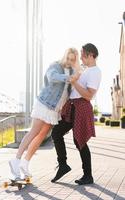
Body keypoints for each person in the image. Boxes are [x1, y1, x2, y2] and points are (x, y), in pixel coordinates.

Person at [9, 48, 81, 180]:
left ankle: (25, 163)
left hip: (54, 110)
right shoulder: (55, 66)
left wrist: (75, 74)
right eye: (69, 58)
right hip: (44, 104)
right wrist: (68, 78)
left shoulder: (72, 71)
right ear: (65, 56)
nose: (70, 61)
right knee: (34, 132)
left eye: (73, 60)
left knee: (41, 135)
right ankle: (16, 160)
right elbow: (51, 77)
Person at [51, 43, 101, 185]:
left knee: (80, 141)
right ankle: (63, 165)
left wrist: (75, 82)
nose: (82, 59)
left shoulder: (95, 71)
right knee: (57, 133)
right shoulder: (86, 70)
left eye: (83, 55)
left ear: (91, 55)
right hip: (73, 107)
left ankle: (87, 175)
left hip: (81, 107)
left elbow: (89, 95)